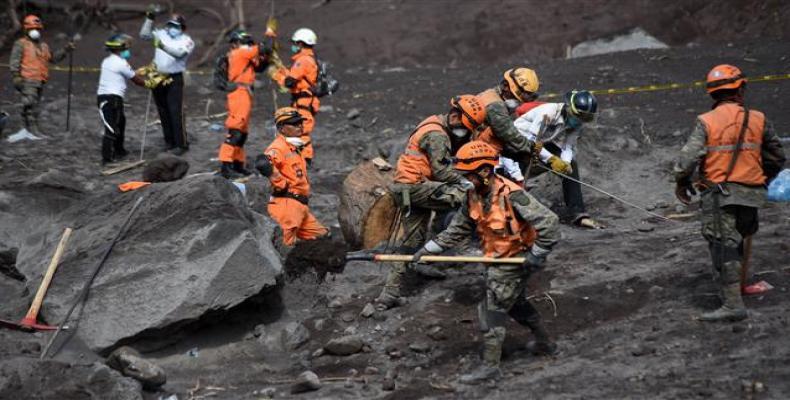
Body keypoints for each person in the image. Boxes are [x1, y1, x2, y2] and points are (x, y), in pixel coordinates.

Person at [410, 141, 561, 383]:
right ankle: (546, 343)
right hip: (497, 260)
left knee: (491, 311)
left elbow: (550, 223)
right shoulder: (473, 196)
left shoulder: (512, 195)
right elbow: (457, 229)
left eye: (467, 175)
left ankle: (490, 366)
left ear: (483, 172)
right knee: (515, 303)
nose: (463, 180)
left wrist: (537, 254)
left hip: (514, 260)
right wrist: (426, 250)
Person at [674, 64, 785, 322]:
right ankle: (739, 289)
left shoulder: (706, 121)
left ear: (713, 94)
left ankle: (733, 305)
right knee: (740, 240)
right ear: (740, 89)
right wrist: (760, 179)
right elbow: (778, 156)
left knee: (725, 248)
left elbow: (687, 159)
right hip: (752, 194)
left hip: (720, 196)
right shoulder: (758, 118)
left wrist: (681, 183)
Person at [375, 95, 487, 310]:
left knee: (411, 242)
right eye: (466, 126)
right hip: (414, 187)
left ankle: (389, 294)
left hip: (410, 188)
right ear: (455, 116)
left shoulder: (434, 121)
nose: (466, 131)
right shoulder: (437, 135)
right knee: (463, 197)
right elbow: (441, 170)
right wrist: (467, 182)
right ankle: (462, 244)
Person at [501, 90, 602, 228]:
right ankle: (510, 211)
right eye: (581, 116)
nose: (581, 121)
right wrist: (552, 160)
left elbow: (568, 146)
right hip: (518, 143)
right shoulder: (548, 113)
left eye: (586, 118)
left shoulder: (576, 123)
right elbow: (532, 140)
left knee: (571, 165)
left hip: (541, 143)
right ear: (569, 108)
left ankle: (578, 213)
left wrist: (564, 164)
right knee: (515, 176)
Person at [256, 107, 329, 246]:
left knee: (323, 239)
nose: (299, 126)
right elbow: (263, 162)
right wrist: (280, 183)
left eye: (300, 122)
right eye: (294, 124)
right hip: (286, 205)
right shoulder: (279, 147)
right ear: (282, 128)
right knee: (284, 248)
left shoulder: (294, 146)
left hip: (300, 206)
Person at [139, 10, 195, 155]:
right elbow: (144, 35)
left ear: (182, 27)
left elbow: (179, 54)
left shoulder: (187, 41)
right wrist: (149, 19)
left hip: (174, 78)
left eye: (175, 25)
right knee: (163, 110)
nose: (172, 28)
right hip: (158, 76)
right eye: (170, 24)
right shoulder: (161, 34)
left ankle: (181, 144)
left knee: (175, 111)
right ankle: (169, 142)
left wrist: (162, 46)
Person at [9, 14, 73, 134]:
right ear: (26, 29)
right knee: (29, 103)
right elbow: (14, 60)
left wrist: (66, 50)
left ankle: (30, 129)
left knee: (34, 105)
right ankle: (29, 129)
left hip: (39, 80)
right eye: (32, 28)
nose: (35, 31)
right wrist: (16, 76)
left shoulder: (44, 46)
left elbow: (53, 58)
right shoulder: (21, 44)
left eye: (37, 28)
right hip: (27, 79)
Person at [272, 28, 321, 166]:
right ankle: (303, 160)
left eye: (295, 43)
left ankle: (305, 161)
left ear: (300, 43)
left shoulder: (303, 60)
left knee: (301, 131)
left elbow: (290, 81)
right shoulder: (309, 58)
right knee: (300, 130)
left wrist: (278, 76)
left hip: (303, 101)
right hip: (304, 100)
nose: (294, 45)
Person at [474, 68, 544, 162]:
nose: (520, 99)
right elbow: (508, 133)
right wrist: (531, 147)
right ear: (506, 86)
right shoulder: (495, 105)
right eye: (520, 93)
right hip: (474, 146)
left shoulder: (495, 94)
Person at [217, 30, 260, 179]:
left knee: (242, 133)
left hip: (245, 92)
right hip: (239, 92)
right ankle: (225, 165)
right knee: (235, 130)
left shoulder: (242, 56)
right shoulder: (240, 53)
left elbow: (260, 64)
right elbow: (262, 48)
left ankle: (237, 164)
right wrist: (270, 34)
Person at [97, 34, 145, 165]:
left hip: (112, 98)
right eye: (125, 48)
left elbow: (129, 73)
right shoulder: (121, 63)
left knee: (120, 123)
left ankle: (119, 150)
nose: (127, 50)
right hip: (109, 98)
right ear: (120, 49)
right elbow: (135, 79)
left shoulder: (107, 61)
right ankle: (107, 158)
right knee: (112, 128)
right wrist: (148, 84)